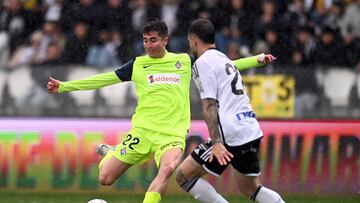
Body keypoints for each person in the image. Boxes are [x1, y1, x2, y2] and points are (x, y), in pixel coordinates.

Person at [47, 20, 273, 203]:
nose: (148, 45)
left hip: (171, 135)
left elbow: (223, 65)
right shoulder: (137, 65)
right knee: (105, 178)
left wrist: (257, 60)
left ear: (165, 41)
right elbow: (103, 79)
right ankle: (111, 153)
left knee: (167, 169)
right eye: (145, 40)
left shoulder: (184, 61)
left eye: (153, 40)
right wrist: (65, 86)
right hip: (143, 132)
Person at [175, 19, 284, 203]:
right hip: (250, 128)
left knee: (184, 175)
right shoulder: (223, 59)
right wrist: (258, 59)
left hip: (229, 132)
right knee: (251, 188)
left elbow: (209, 105)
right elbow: (236, 68)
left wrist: (217, 143)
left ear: (193, 41)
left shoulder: (202, 63)